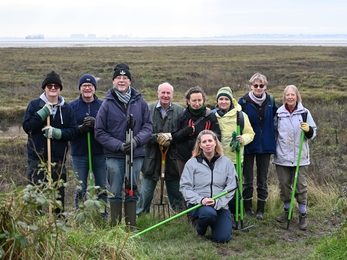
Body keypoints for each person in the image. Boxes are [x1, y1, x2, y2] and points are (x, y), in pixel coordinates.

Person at [94, 63, 152, 229]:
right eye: (118, 78)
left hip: (136, 154)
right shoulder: (107, 104)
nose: (121, 80)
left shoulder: (140, 102)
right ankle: (114, 227)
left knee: (132, 189)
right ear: (113, 82)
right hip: (114, 155)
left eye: (125, 78)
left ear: (130, 81)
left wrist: (136, 141)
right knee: (114, 191)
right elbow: (99, 131)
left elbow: (148, 126)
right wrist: (118, 146)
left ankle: (130, 226)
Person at [23, 71, 78, 216]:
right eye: (49, 85)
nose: (53, 88)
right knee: (35, 194)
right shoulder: (35, 105)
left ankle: (57, 224)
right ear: (44, 88)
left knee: (58, 195)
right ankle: (36, 225)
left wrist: (57, 133)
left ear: (59, 88)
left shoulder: (67, 108)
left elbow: (73, 131)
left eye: (56, 86)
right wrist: (41, 114)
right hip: (37, 158)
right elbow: (27, 127)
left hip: (58, 159)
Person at [180, 130, 237, 243]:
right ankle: (200, 229)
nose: (208, 144)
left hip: (220, 205)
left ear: (215, 142)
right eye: (204, 142)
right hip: (199, 205)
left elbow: (232, 186)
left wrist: (217, 202)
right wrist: (201, 200)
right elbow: (185, 187)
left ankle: (215, 224)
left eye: (210, 140)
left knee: (223, 239)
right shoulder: (191, 163)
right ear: (200, 145)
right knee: (208, 213)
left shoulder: (227, 162)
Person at [136, 82, 185, 215]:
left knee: (175, 189)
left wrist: (171, 137)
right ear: (158, 94)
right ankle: (141, 215)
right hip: (151, 156)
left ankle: (180, 215)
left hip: (172, 156)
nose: (165, 95)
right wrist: (156, 138)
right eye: (163, 92)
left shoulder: (180, 111)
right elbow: (141, 132)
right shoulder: (148, 109)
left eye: (168, 93)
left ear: (172, 95)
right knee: (146, 190)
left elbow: (184, 133)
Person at [274, 85, 317, 230]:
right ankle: (287, 211)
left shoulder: (304, 113)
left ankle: (302, 215)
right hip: (282, 157)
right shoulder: (279, 113)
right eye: (288, 95)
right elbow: (274, 134)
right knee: (284, 186)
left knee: (300, 187)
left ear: (297, 96)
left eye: (293, 95)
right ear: (284, 97)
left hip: (300, 157)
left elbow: (313, 133)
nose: (290, 97)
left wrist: (309, 130)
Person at [238, 73, 278, 220]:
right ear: (251, 86)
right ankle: (247, 209)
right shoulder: (243, 102)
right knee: (247, 179)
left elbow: (279, 115)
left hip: (266, 145)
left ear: (265, 86)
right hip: (248, 145)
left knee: (262, 179)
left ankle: (260, 210)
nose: (259, 88)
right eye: (256, 85)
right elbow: (232, 114)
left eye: (261, 85)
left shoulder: (271, 101)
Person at [213, 87, 255, 218]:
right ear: (217, 101)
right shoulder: (213, 115)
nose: (223, 102)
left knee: (234, 189)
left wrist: (243, 139)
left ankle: (236, 214)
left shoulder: (240, 115)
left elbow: (250, 133)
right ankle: (222, 215)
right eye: (221, 99)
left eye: (226, 99)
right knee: (218, 188)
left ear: (231, 101)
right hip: (216, 159)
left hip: (234, 159)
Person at [69, 74, 107, 217]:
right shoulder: (72, 107)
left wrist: (96, 123)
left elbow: (109, 126)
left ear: (94, 88)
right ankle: (80, 215)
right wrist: (80, 128)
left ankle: (103, 216)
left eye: (90, 86)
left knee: (102, 186)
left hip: (99, 152)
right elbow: (69, 129)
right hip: (79, 153)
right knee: (81, 187)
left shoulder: (103, 106)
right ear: (80, 88)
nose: (87, 88)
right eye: (84, 86)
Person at [172, 85, 221, 179]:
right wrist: (185, 132)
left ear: (203, 100)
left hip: (205, 158)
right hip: (183, 158)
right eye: (194, 101)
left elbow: (217, 138)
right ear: (188, 101)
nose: (197, 103)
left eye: (199, 100)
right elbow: (175, 137)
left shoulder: (210, 117)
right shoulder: (182, 116)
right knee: (186, 187)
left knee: (203, 187)